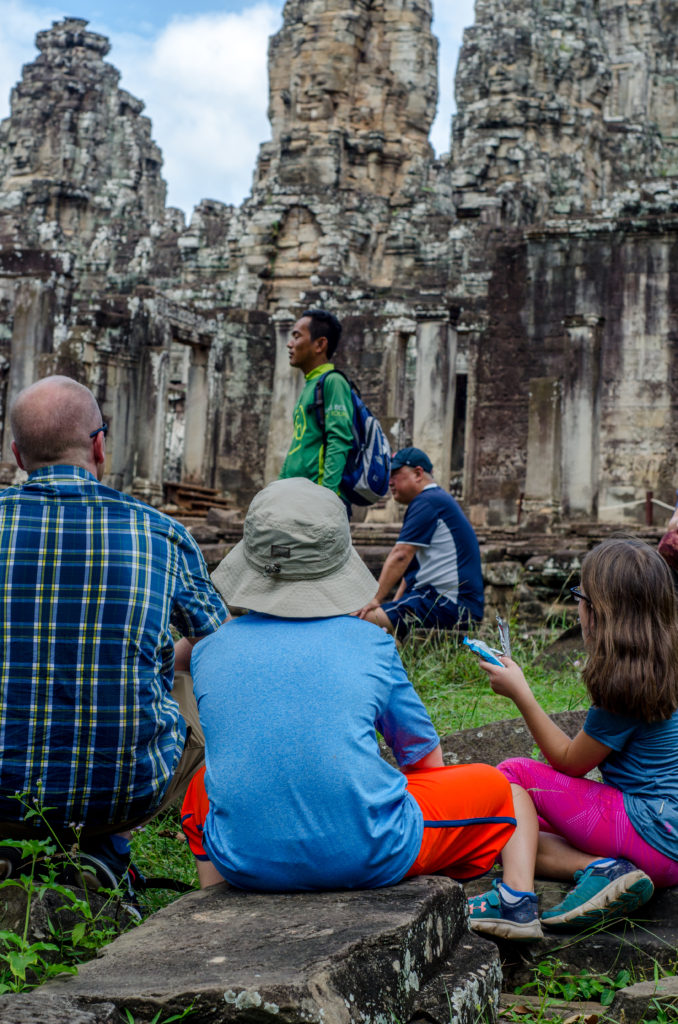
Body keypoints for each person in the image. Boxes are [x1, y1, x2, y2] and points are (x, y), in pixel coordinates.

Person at [181, 476, 538, 924]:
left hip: (243, 859)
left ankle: (215, 908)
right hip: (370, 852)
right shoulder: (371, 644)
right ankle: (518, 903)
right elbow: (425, 762)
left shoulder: (210, 649)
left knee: (201, 789)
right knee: (500, 788)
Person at [0, 376, 227, 881]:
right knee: (189, 677)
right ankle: (106, 846)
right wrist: (157, 656)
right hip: (123, 793)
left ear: (18, 455)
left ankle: (18, 844)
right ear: (99, 445)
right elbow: (219, 643)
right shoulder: (160, 532)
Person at [469, 537, 678, 935]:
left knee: (511, 776)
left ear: (598, 613)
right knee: (513, 828)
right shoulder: (663, 667)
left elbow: (569, 762)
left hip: (649, 830)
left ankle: (514, 900)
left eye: (580, 596)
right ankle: (604, 871)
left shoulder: (627, 686)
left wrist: (521, 693)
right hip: (668, 847)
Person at [357, 447, 484, 638]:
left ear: (418, 473)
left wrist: (374, 599)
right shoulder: (435, 501)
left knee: (360, 622)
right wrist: (392, 610)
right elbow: (410, 574)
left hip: (449, 604)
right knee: (385, 634)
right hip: (449, 604)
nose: (389, 482)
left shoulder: (428, 501)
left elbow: (401, 554)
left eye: (395, 474)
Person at [279, 309, 354, 504]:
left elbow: (339, 440)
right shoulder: (311, 385)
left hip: (317, 500)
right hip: (297, 496)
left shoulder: (333, 382)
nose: (290, 344)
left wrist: (326, 499)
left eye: (297, 336)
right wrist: (279, 488)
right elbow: (299, 446)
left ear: (320, 344)